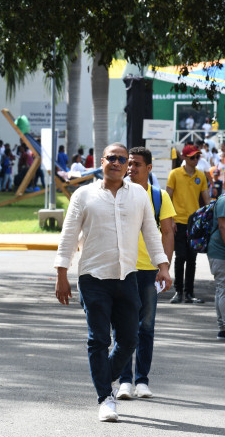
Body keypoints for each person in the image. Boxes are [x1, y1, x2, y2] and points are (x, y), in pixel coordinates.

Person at [54, 143, 171, 422]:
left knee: (130, 338)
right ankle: (105, 398)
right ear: (101, 162)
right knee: (98, 339)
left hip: (127, 277)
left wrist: (163, 267)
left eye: (122, 159)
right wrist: (61, 274)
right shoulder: (84, 195)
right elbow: (68, 236)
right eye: (112, 158)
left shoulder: (140, 196)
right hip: (93, 278)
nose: (118, 163)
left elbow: (152, 234)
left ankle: (104, 378)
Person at [116, 147, 175, 400]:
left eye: (137, 164)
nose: (131, 168)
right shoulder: (117, 193)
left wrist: (165, 267)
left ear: (149, 168)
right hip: (124, 269)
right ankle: (124, 381)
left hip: (150, 271)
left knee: (146, 327)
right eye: (129, 163)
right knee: (122, 326)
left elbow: (168, 232)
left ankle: (142, 380)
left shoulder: (160, 197)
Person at [166, 144, 210, 304]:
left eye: (198, 156)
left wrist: (207, 220)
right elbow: (168, 198)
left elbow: (206, 200)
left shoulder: (201, 175)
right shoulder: (175, 174)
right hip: (178, 222)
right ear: (184, 158)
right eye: (192, 157)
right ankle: (178, 292)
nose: (196, 159)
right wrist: (170, 220)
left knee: (192, 258)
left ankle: (189, 293)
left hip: (195, 224)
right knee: (181, 256)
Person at [207, 181, 225, 340]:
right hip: (219, 252)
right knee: (223, 287)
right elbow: (223, 227)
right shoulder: (224, 200)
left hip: (219, 251)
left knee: (222, 288)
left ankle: (222, 328)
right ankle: (223, 327)